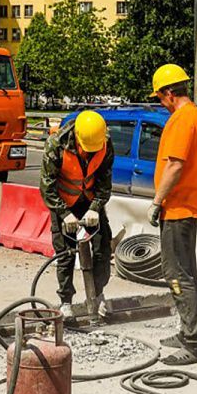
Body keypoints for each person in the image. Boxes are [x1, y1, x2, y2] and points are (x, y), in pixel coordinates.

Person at [147, 64, 197, 366]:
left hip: (178, 207)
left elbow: (175, 165)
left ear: (170, 93)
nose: (161, 103)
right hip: (190, 204)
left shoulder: (182, 120)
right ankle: (188, 332)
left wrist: (157, 201)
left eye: (160, 97)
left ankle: (194, 342)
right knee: (186, 272)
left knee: (177, 275)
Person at [39, 110, 114, 319]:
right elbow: (47, 187)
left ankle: (98, 295)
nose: (89, 153)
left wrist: (95, 208)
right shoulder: (56, 145)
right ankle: (66, 301)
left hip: (89, 202)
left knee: (102, 250)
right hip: (64, 204)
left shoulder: (104, 143)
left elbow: (104, 182)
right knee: (66, 255)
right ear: (77, 137)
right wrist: (64, 213)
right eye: (85, 149)